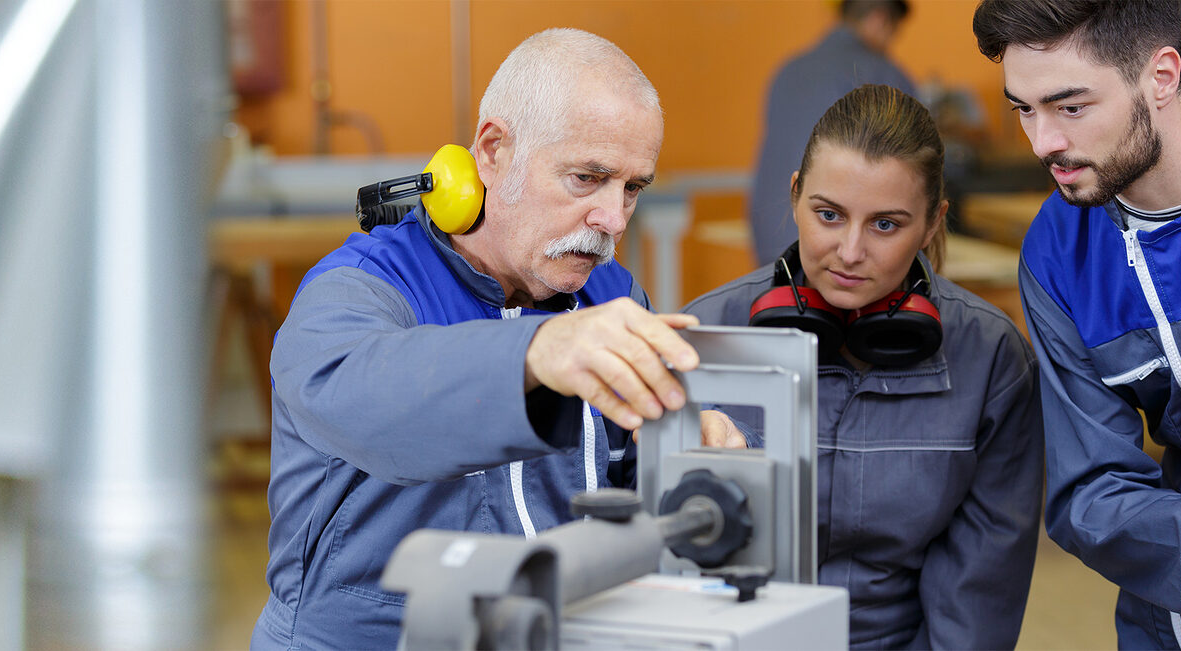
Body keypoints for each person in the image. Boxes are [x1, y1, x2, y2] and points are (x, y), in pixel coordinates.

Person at [251, 29, 710, 649]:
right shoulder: (362, 287)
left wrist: (697, 445)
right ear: (493, 151)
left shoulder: (612, 296)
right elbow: (360, 395)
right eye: (586, 178)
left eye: (632, 188)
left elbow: (637, 480)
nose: (612, 220)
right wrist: (537, 353)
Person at [684, 84, 1043, 648]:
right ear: (796, 195)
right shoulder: (703, 335)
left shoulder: (990, 357)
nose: (850, 251)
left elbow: (978, 599)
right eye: (829, 215)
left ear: (932, 223)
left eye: (885, 225)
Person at [972, 1, 1181, 647]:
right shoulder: (1057, 255)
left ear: (1161, 76)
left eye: (1071, 107)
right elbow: (1091, 485)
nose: (1042, 142)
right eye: (1023, 108)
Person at [748, 0, 916, 266]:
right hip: (836, 255)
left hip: (770, 245)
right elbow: (917, 165)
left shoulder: (788, 69)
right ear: (879, 20)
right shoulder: (881, 72)